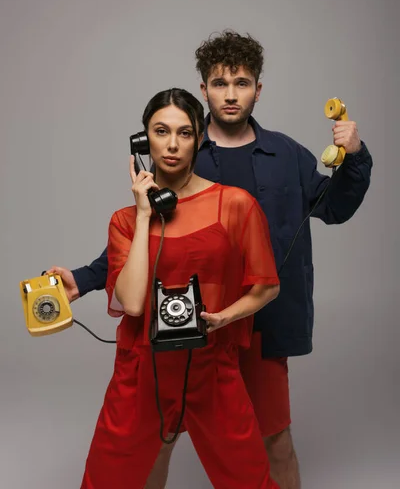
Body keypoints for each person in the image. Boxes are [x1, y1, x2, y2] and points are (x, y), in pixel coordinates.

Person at [48, 31, 373, 489]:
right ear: (203, 90)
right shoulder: (179, 149)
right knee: (159, 436)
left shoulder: (287, 155)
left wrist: (354, 155)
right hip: (185, 325)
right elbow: (149, 241)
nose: (231, 94)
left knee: (273, 438)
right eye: (220, 83)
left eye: (242, 83)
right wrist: (84, 279)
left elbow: (335, 207)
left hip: (261, 321)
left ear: (258, 89)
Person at [79, 88, 281, 489]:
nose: (171, 145)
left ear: (199, 139)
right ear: (143, 141)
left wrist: (225, 317)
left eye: (184, 133)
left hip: (213, 364)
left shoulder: (235, 205)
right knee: (106, 480)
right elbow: (133, 303)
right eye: (160, 131)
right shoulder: (123, 221)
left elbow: (266, 287)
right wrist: (142, 216)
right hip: (141, 371)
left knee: (249, 481)